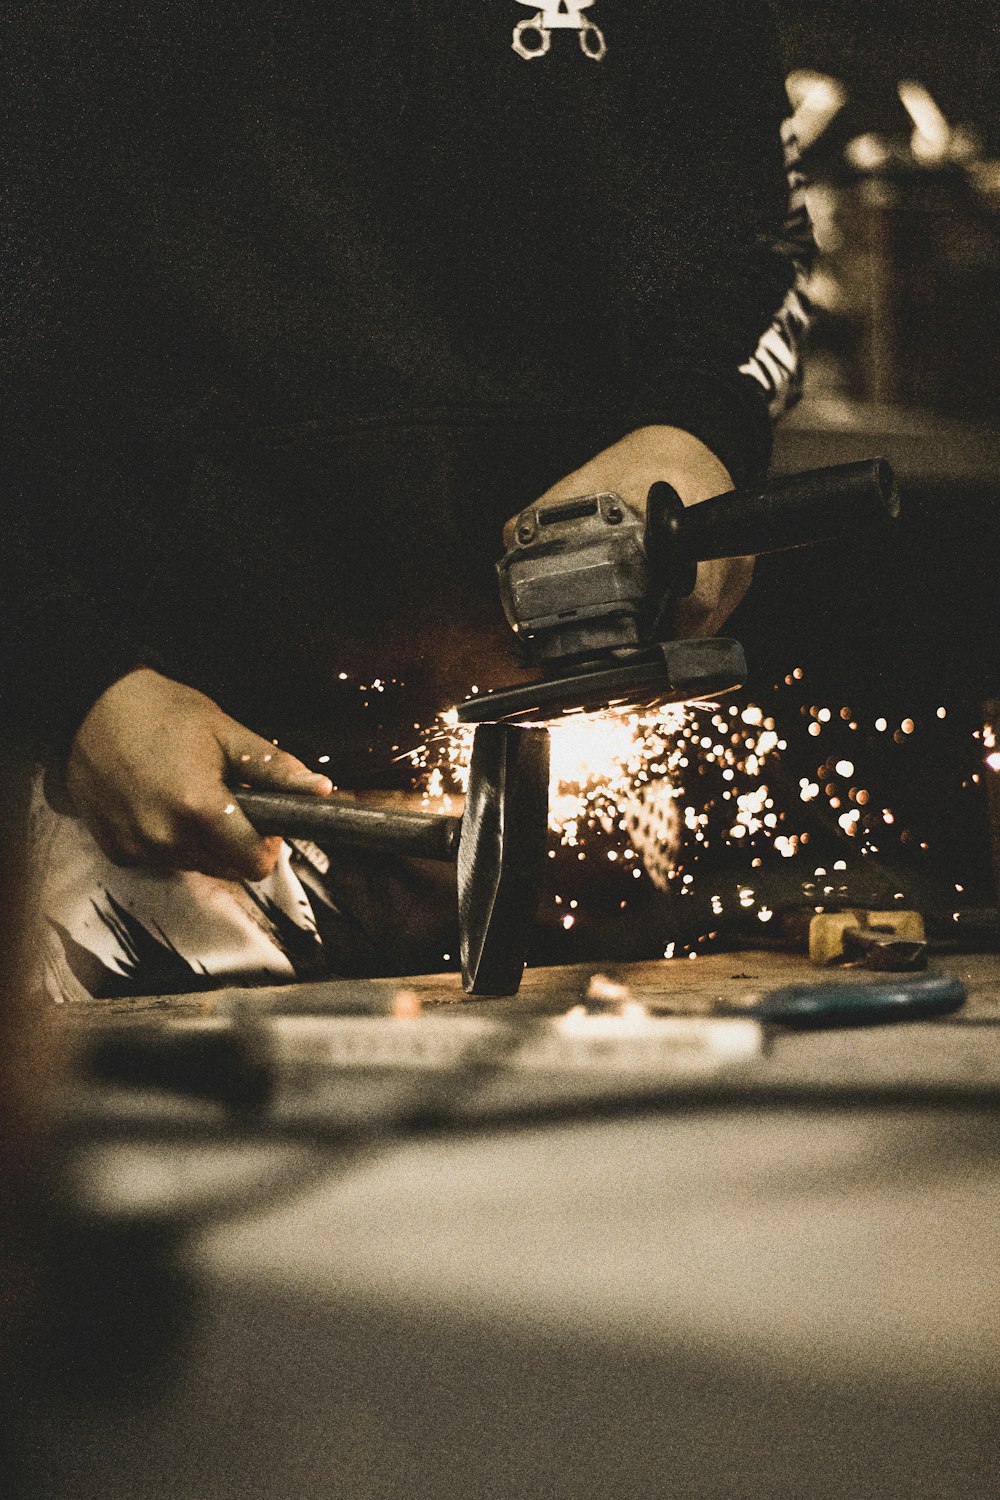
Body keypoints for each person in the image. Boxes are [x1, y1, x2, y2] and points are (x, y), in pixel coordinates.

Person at [3, 2, 813, 999]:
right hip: (137, 775)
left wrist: (695, 433)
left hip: (578, 770)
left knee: (615, 1141)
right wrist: (71, 670)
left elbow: (747, 242)